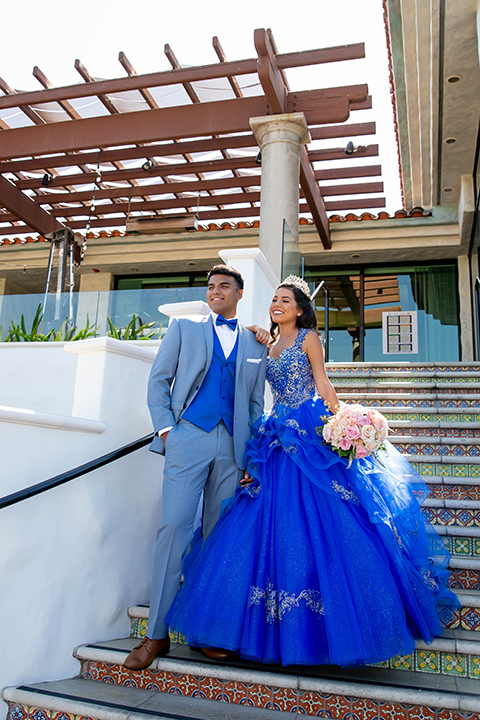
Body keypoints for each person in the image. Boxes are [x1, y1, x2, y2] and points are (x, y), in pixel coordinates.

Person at [165, 275, 459, 667]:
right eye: (274, 299)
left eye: (285, 300)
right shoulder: (264, 343)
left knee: (326, 516)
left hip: (307, 428)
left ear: (300, 309)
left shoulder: (308, 338)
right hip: (274, 432)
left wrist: (344, 425)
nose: (277, 305)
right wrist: (257, 331)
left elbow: (323, 383)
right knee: (262, 517)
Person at [125, 264, 267, 671]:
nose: (215, 291)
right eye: (211, 287)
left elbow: (256, 405)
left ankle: (210, 631)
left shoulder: (255, 343)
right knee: (174, 528)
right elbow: (159, 381)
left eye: (225, 286)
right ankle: (156, 635)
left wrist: (251, 456)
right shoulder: (184, 329)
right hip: (188, 438)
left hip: (233, 449)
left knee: (218, 538)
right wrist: (168, 431)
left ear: (240, 293)